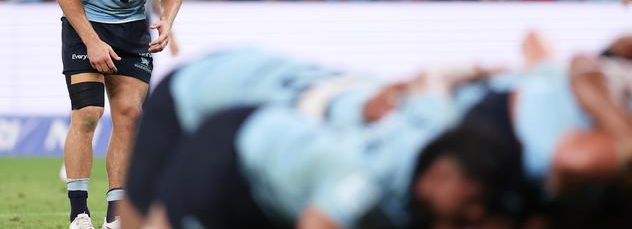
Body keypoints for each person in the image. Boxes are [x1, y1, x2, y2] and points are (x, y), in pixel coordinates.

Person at [122, 48, 522, 229]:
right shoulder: (362, 151)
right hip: (198, 95)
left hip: (253, 103)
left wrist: (480, 70)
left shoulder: (414, 118)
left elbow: (432, 80)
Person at [53, 0, 192, 229]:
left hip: (131, 28)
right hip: (85, 22)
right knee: (88, 112)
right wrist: (92, 42)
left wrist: (167, 20)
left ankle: (115, 215)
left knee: (129, 115)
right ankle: (79, 213)